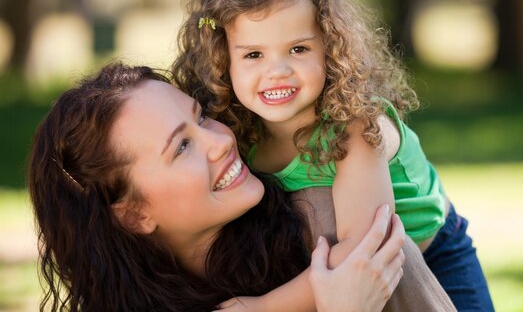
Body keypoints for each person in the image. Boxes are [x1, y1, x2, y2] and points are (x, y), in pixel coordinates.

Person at [172, 0, 493, 312]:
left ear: (329, 47)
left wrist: (258, 308)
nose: (277, 71)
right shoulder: (233, 131)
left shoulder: (354, 126)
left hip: (433, 250)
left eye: (298, 50)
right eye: (253, 55)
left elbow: (362, 252)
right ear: (223, 59)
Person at [28, 62, 449, 312]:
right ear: (135, 213)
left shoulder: (328, 230)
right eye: (183, 146)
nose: (221, 140)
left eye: (200, 117)